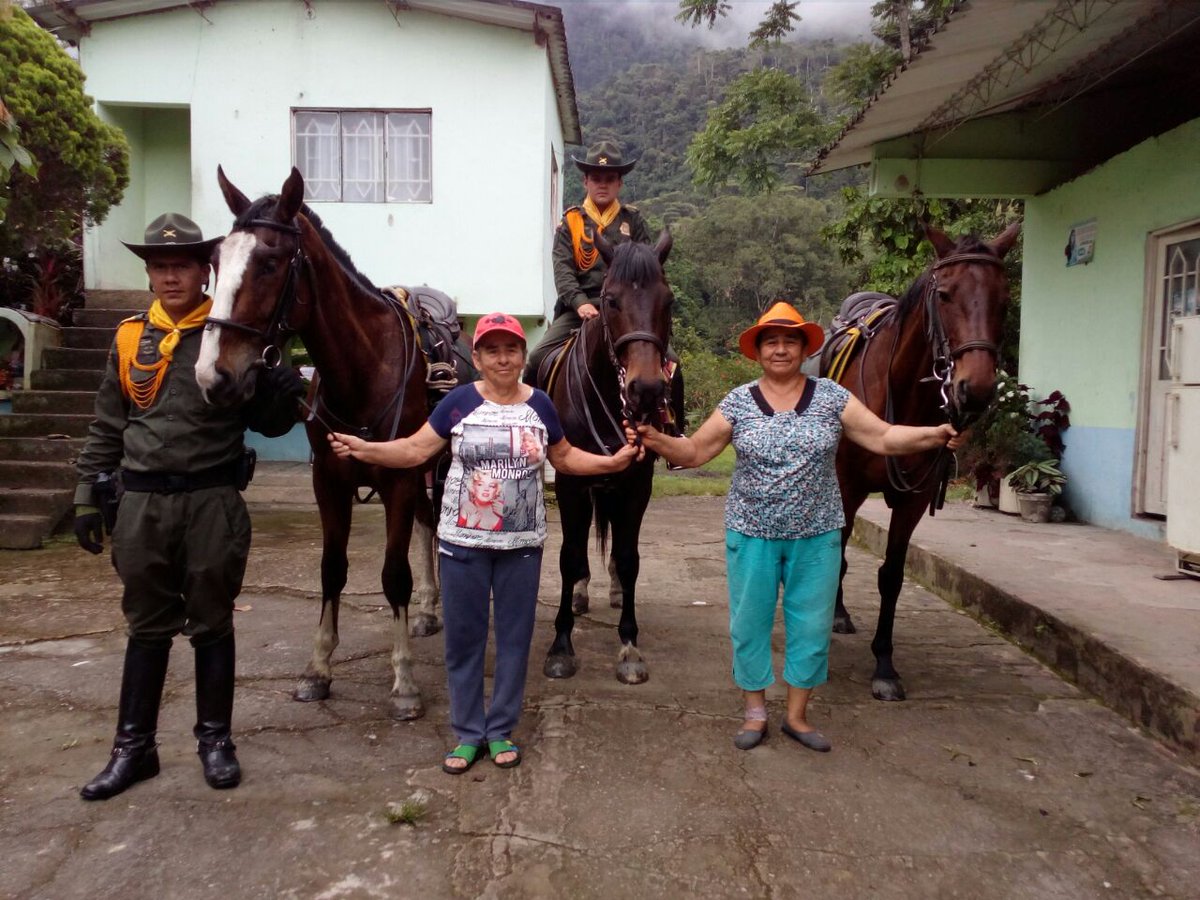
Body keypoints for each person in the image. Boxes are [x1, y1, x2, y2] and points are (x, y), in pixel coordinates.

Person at [626, 302, 963, 753]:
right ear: (758, 351)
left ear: (804, 348)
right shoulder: (738, 401)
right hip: (751, 533)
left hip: (818, 536)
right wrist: (653, 439)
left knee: (811, 625)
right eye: (771, 342)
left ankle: (797, 716)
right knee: (750, 624)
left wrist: (934, 434)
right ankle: (754, 712)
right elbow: (694, 453)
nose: (781, 349)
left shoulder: (831, 397)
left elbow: (882, 436)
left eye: (790, 341)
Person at [328, 313, 643, 774]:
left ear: (522, 356)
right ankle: (468, 733)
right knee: (464, 640)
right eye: (491, 350)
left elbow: (565, 458)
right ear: (475, 357)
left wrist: (613, 463)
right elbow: (416, 450)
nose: (502, 358)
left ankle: (499, 731)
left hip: (522, 545)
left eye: (511, 349)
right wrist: (364, 448)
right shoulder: (456, 404)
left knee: (515, 641)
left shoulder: (541, 405)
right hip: (462, 545)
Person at [74, 212, 304, 800]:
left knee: (211, 622)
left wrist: (284, 397)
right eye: (159, 267)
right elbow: (109, 421)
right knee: (146, 628)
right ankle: (134, 749)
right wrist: (86, 494)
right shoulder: (129, 338)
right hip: (143, 502)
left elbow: (268, 423)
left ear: (206, 271)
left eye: (181, 266)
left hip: (210, 499)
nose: (170, 277)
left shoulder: (228, 334)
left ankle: (215, 741)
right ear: (149, 274)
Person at [525, 140, 686, 433]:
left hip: (627, 313)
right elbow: (562, 269)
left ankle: (673, 431)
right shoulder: (571, 222)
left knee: (672, 362)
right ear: (586, 180)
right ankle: (531, 427)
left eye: (609, 179)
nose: (602, 184)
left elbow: (647, 270)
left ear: (619, 183)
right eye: (596, 178)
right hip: (581, 309)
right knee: (536, 358)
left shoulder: (632, 220)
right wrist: (578, 302)